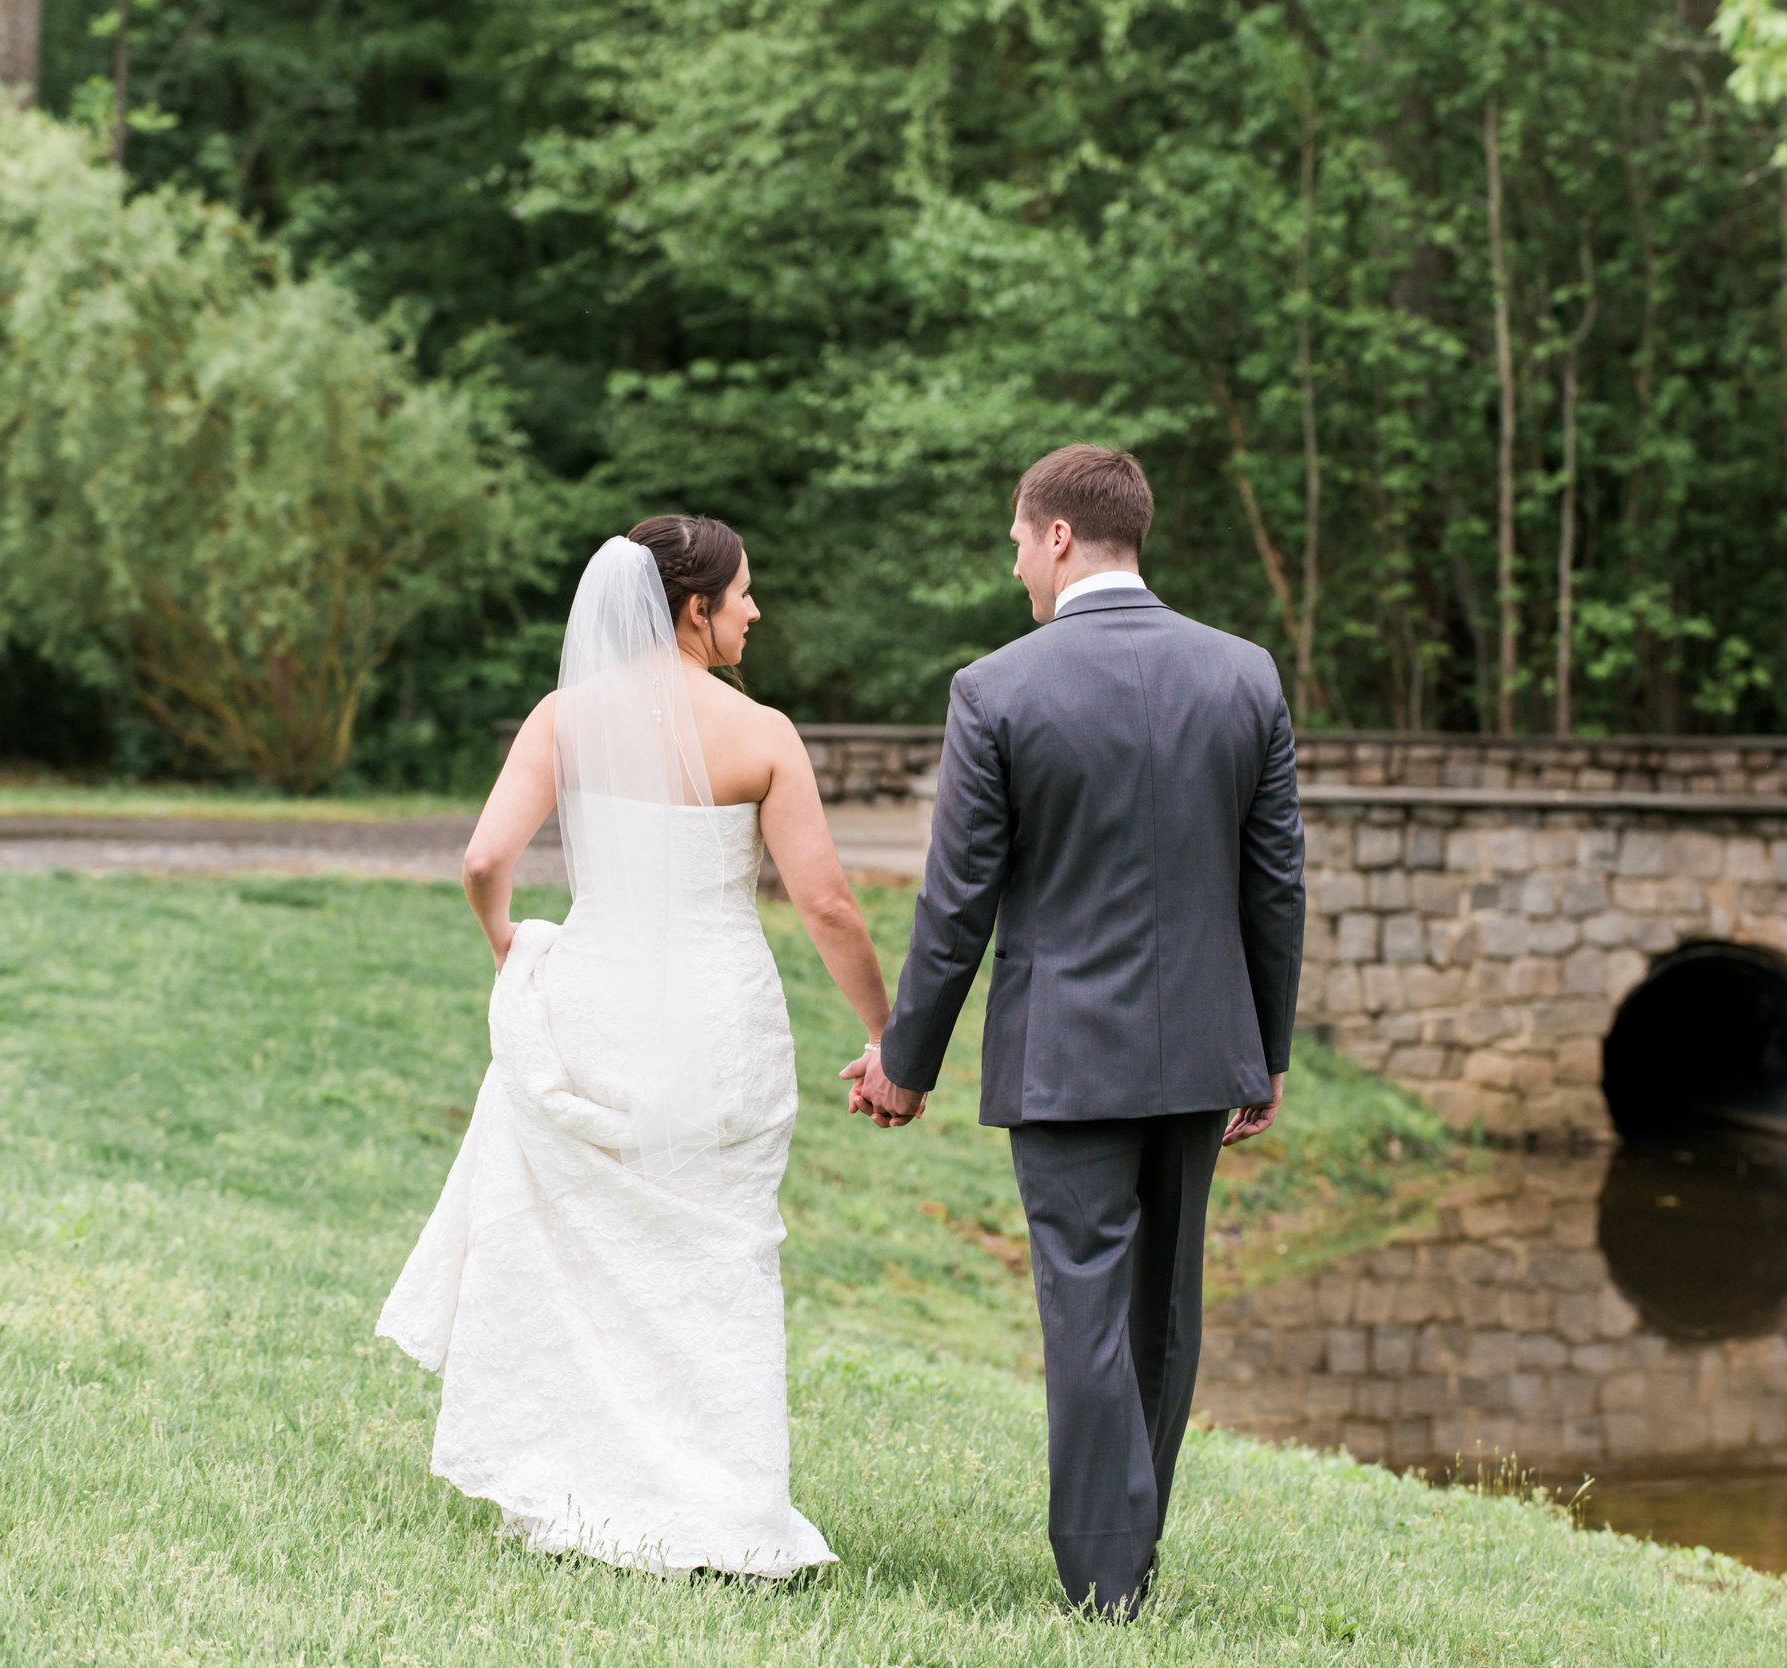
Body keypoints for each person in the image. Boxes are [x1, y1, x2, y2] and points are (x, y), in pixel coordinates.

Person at [378, 515, 893, 1579]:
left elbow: (484, 857)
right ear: (693, 609)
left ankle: (586, 1488)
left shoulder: (566, 718)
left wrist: (507, 944)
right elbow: (830, 907)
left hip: (594, 1005)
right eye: (742, 594)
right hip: (717, 1019)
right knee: (720, 1252)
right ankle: (731, 1507)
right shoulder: (761, 735)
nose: (755, 610)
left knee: (593, 1254)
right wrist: (890, 1035)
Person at [846, 444, 1307, 1618]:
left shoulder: (997, 688)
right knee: (1163, 1309)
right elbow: (1275, 885)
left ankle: (1106, 1578)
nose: (1014, 569)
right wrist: (1269, 1048)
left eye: (1015, 542)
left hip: (1064, 1057)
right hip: (1206, 1047)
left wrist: (905, 1065)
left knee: (1087, 1304)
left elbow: (958, 901)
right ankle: (1127, 1561)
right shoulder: (1244, 674)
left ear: (1057, 536)